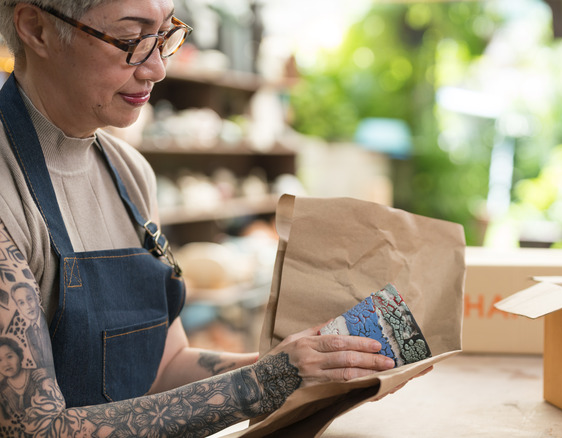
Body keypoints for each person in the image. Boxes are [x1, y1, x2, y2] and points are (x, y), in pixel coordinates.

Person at [0, 0, 396, 436]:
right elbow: (33, 429)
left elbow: (166, 367)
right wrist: (262, 383)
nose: (156, 68)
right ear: (36, 29)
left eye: (165, 36)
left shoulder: (130, 174)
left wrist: (313, 364)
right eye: (131, 40)